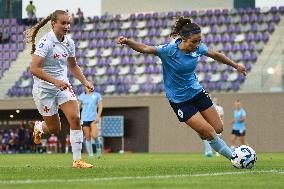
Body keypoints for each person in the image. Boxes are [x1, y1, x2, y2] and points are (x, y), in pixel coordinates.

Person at [116, 17, 247, 162]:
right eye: (194, 41)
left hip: (197, 93)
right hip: (180, 101)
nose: (197, 44)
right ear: (184, 39)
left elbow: (216, 55)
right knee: (209, 132)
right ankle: (235, 158)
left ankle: (203, 132)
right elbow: (145, 48)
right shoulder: (168, 51)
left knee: (218, 128)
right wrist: (127, 41)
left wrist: (236, 65)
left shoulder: (199, 48)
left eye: (199, 40)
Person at [24, 10, 93, 168]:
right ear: (53, 23)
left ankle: (77, 161)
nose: (66, 26)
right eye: (63, 23)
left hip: (62, 86)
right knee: (55, 129)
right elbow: (33, 69)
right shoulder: (45, 42)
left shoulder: (69, 43)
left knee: (75, 118)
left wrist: (84, 81)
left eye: (68, 23)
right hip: (44, 90)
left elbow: (73, 65)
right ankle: (39, 126)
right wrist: (55, 81)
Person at [78, 81, 103, 158]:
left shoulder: (97, 95)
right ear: (85, 87)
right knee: (87, 137)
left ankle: (98, 150)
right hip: (85, 119)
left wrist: (98, 116)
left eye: (91, 85)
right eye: (87, 85)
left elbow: (100, 106)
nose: (89, 86)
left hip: (93, 118)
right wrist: (77, 117)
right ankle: (90, 154)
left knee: (95, 136)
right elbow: (78, 107)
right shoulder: (81, 96)